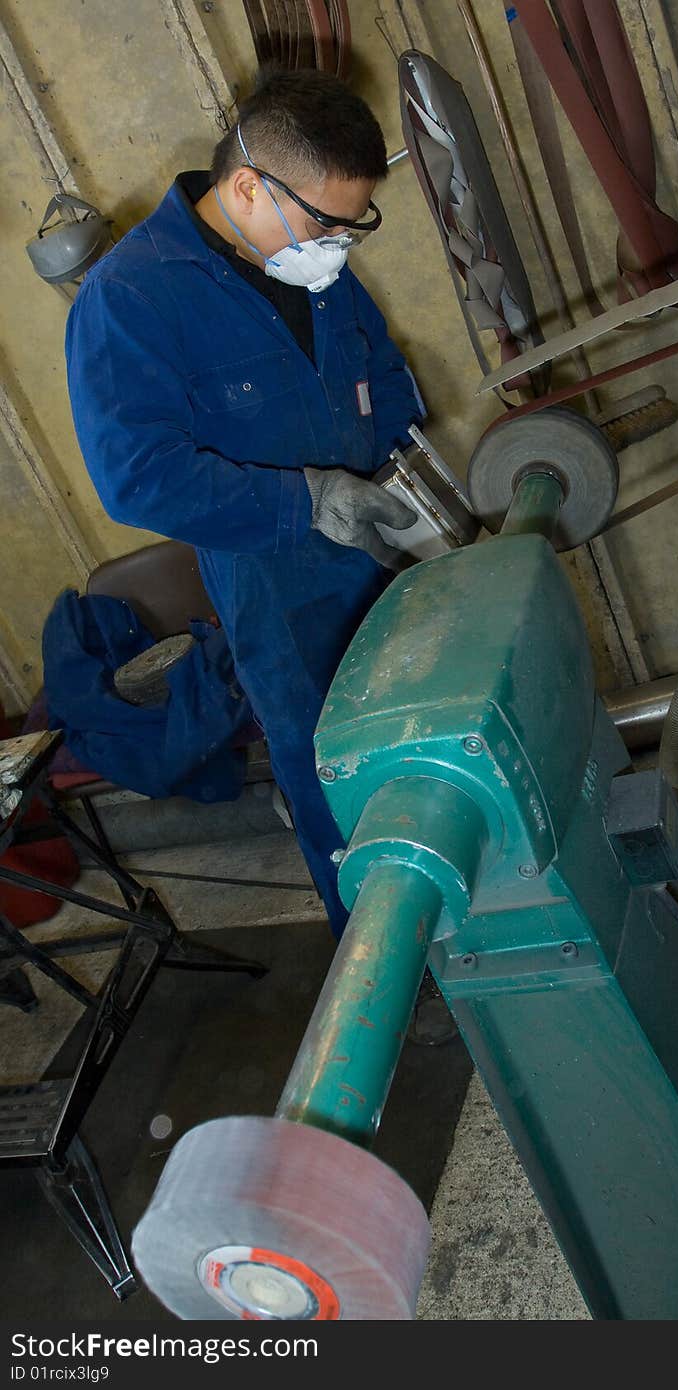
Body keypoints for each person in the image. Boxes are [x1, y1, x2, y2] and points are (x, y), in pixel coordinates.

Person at [66, 69, 422, 940]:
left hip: (383, 538)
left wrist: (412, 477)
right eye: (326, 223)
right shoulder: (132, 298)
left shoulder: (313, 264)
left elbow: (378, 371)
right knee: (332, 775)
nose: (340, 246)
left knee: (421, 741)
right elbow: (138, 478)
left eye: (355, 224)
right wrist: (308, 503)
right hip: (279, 584)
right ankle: (384, 984)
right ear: (247, 187)